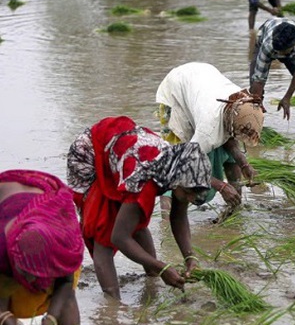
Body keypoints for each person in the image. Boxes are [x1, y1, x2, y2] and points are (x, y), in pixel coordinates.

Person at [66, 116, 212, 299]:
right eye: (189, 193)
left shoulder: (180, 170)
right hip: (90, 156)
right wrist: (162, 267)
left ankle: (151, 278)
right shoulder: (144, 180)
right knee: (103, 230)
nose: (190, 198)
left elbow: (178, 217)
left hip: (121, 151)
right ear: (179, 181)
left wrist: (190, 258)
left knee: (133, 219)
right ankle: (112, 305)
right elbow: (119, 238)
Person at [156, 62, 264, 212]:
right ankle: (166, 218)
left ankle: (235, 208)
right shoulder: (208, 131)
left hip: (200, 80)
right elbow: (187, 164)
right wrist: (221, 186)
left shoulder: (242, 102)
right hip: (175, 91)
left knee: (229, 151)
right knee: (174, 160)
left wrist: (244, 164)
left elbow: (230, 138)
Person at [0, 170, 84, 325]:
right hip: (7, 204)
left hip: (45, 202)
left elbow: (66, 280)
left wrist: (51, 319)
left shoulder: (63, 244)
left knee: (66, 295)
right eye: (26, 273)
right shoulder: (2, 245)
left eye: (37, 274)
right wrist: (4, 316)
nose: (31, 282)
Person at [249, 17, 295, 134]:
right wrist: (257, 104)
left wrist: (287, 97)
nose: (279, 55)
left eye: (282, 52)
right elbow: (259, 80)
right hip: (264, 42)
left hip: (293, 52)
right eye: (278, 52)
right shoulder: (268, 45)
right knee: (254, 94)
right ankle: (254, 132)